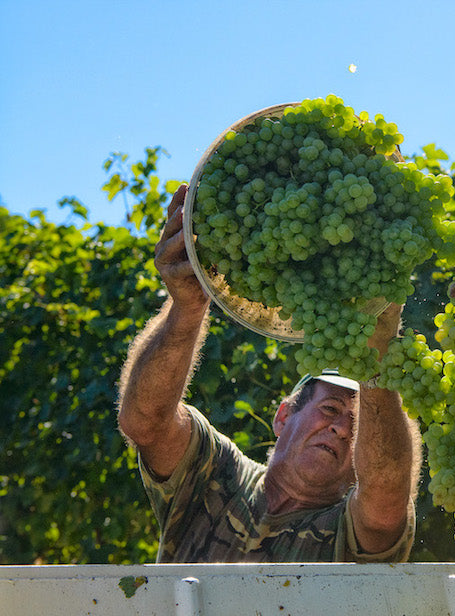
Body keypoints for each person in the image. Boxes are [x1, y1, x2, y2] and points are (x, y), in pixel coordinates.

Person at [117, 184, 421, 563]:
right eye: (330, 409)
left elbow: (386, 500)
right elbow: (144, 422)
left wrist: (377, 359)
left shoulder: (344, 532)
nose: (343, 428)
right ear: (283, 415)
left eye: (357, 425)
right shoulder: (216, 476)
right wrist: (186, 309)